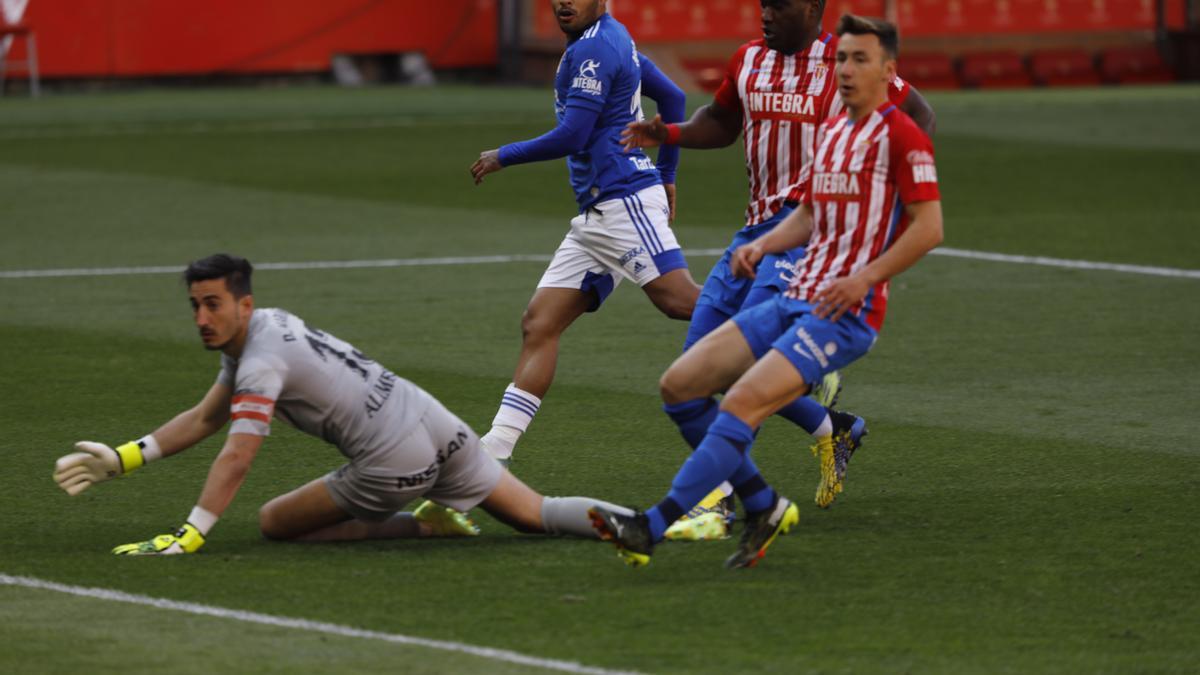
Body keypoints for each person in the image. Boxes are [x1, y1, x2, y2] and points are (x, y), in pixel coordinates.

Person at [590, 14, 944, 569]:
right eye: (842, 60)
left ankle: (657, 523)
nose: (846, 71)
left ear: (887, 71)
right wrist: (759, 246)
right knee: (682, 384)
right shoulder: (833, 132)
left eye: (859, 61)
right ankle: (767, 500)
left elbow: (930, 227)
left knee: (738, 400)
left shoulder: (900, 136)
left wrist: (864, 273)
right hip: (784, 275)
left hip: (842, 308)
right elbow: (807, 211)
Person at [51, 254, 638, 554]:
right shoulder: (271, 327)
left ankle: (428, 529)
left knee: (275, 522)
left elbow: (237, 454)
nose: (203, 318)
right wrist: (126, 457)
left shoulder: (258, 363)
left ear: (244, 305)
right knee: (537, 515)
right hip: (434, 418)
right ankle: (654, 522)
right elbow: (207, 416)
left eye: (213, 305)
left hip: (394, 460)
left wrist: (192, 532)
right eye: (195, 306)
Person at [469, 0, 699, 466]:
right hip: (599, 213)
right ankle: (492, 454)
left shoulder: (596, 49)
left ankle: (790, 341)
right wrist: (668, 173)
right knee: (541, 322)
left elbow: (573, 135)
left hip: (623, 198)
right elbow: (672, 98)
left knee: (680, 302)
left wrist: (503, 155)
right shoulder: (611, 38)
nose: (563, 2)